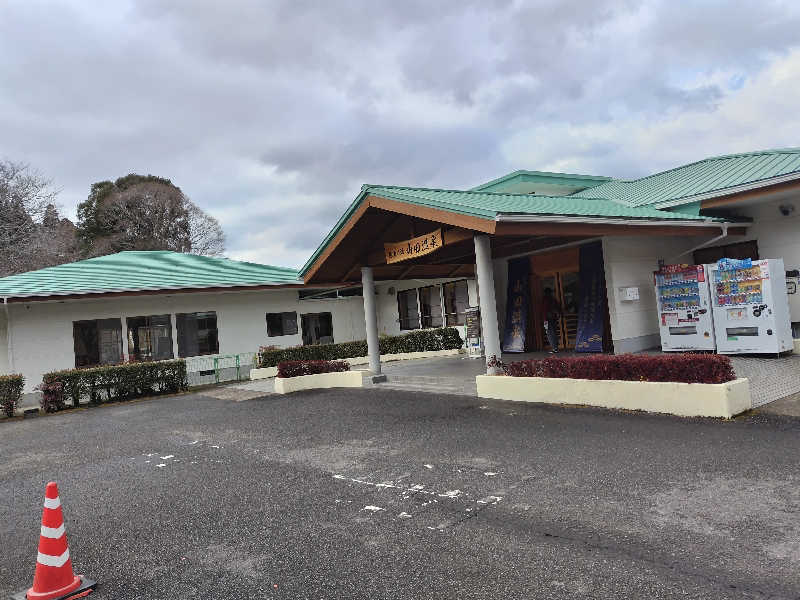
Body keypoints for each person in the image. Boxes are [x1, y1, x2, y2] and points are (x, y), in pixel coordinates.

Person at [541, 287, 561, 353]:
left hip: (547, 319)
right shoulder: (553, 299)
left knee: (549, 333)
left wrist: (544, 320)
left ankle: (554, 348)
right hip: (554, 318)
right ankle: (556, 346)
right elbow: (558, 307)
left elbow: (544, 310)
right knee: (554, 332)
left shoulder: (545, 299)